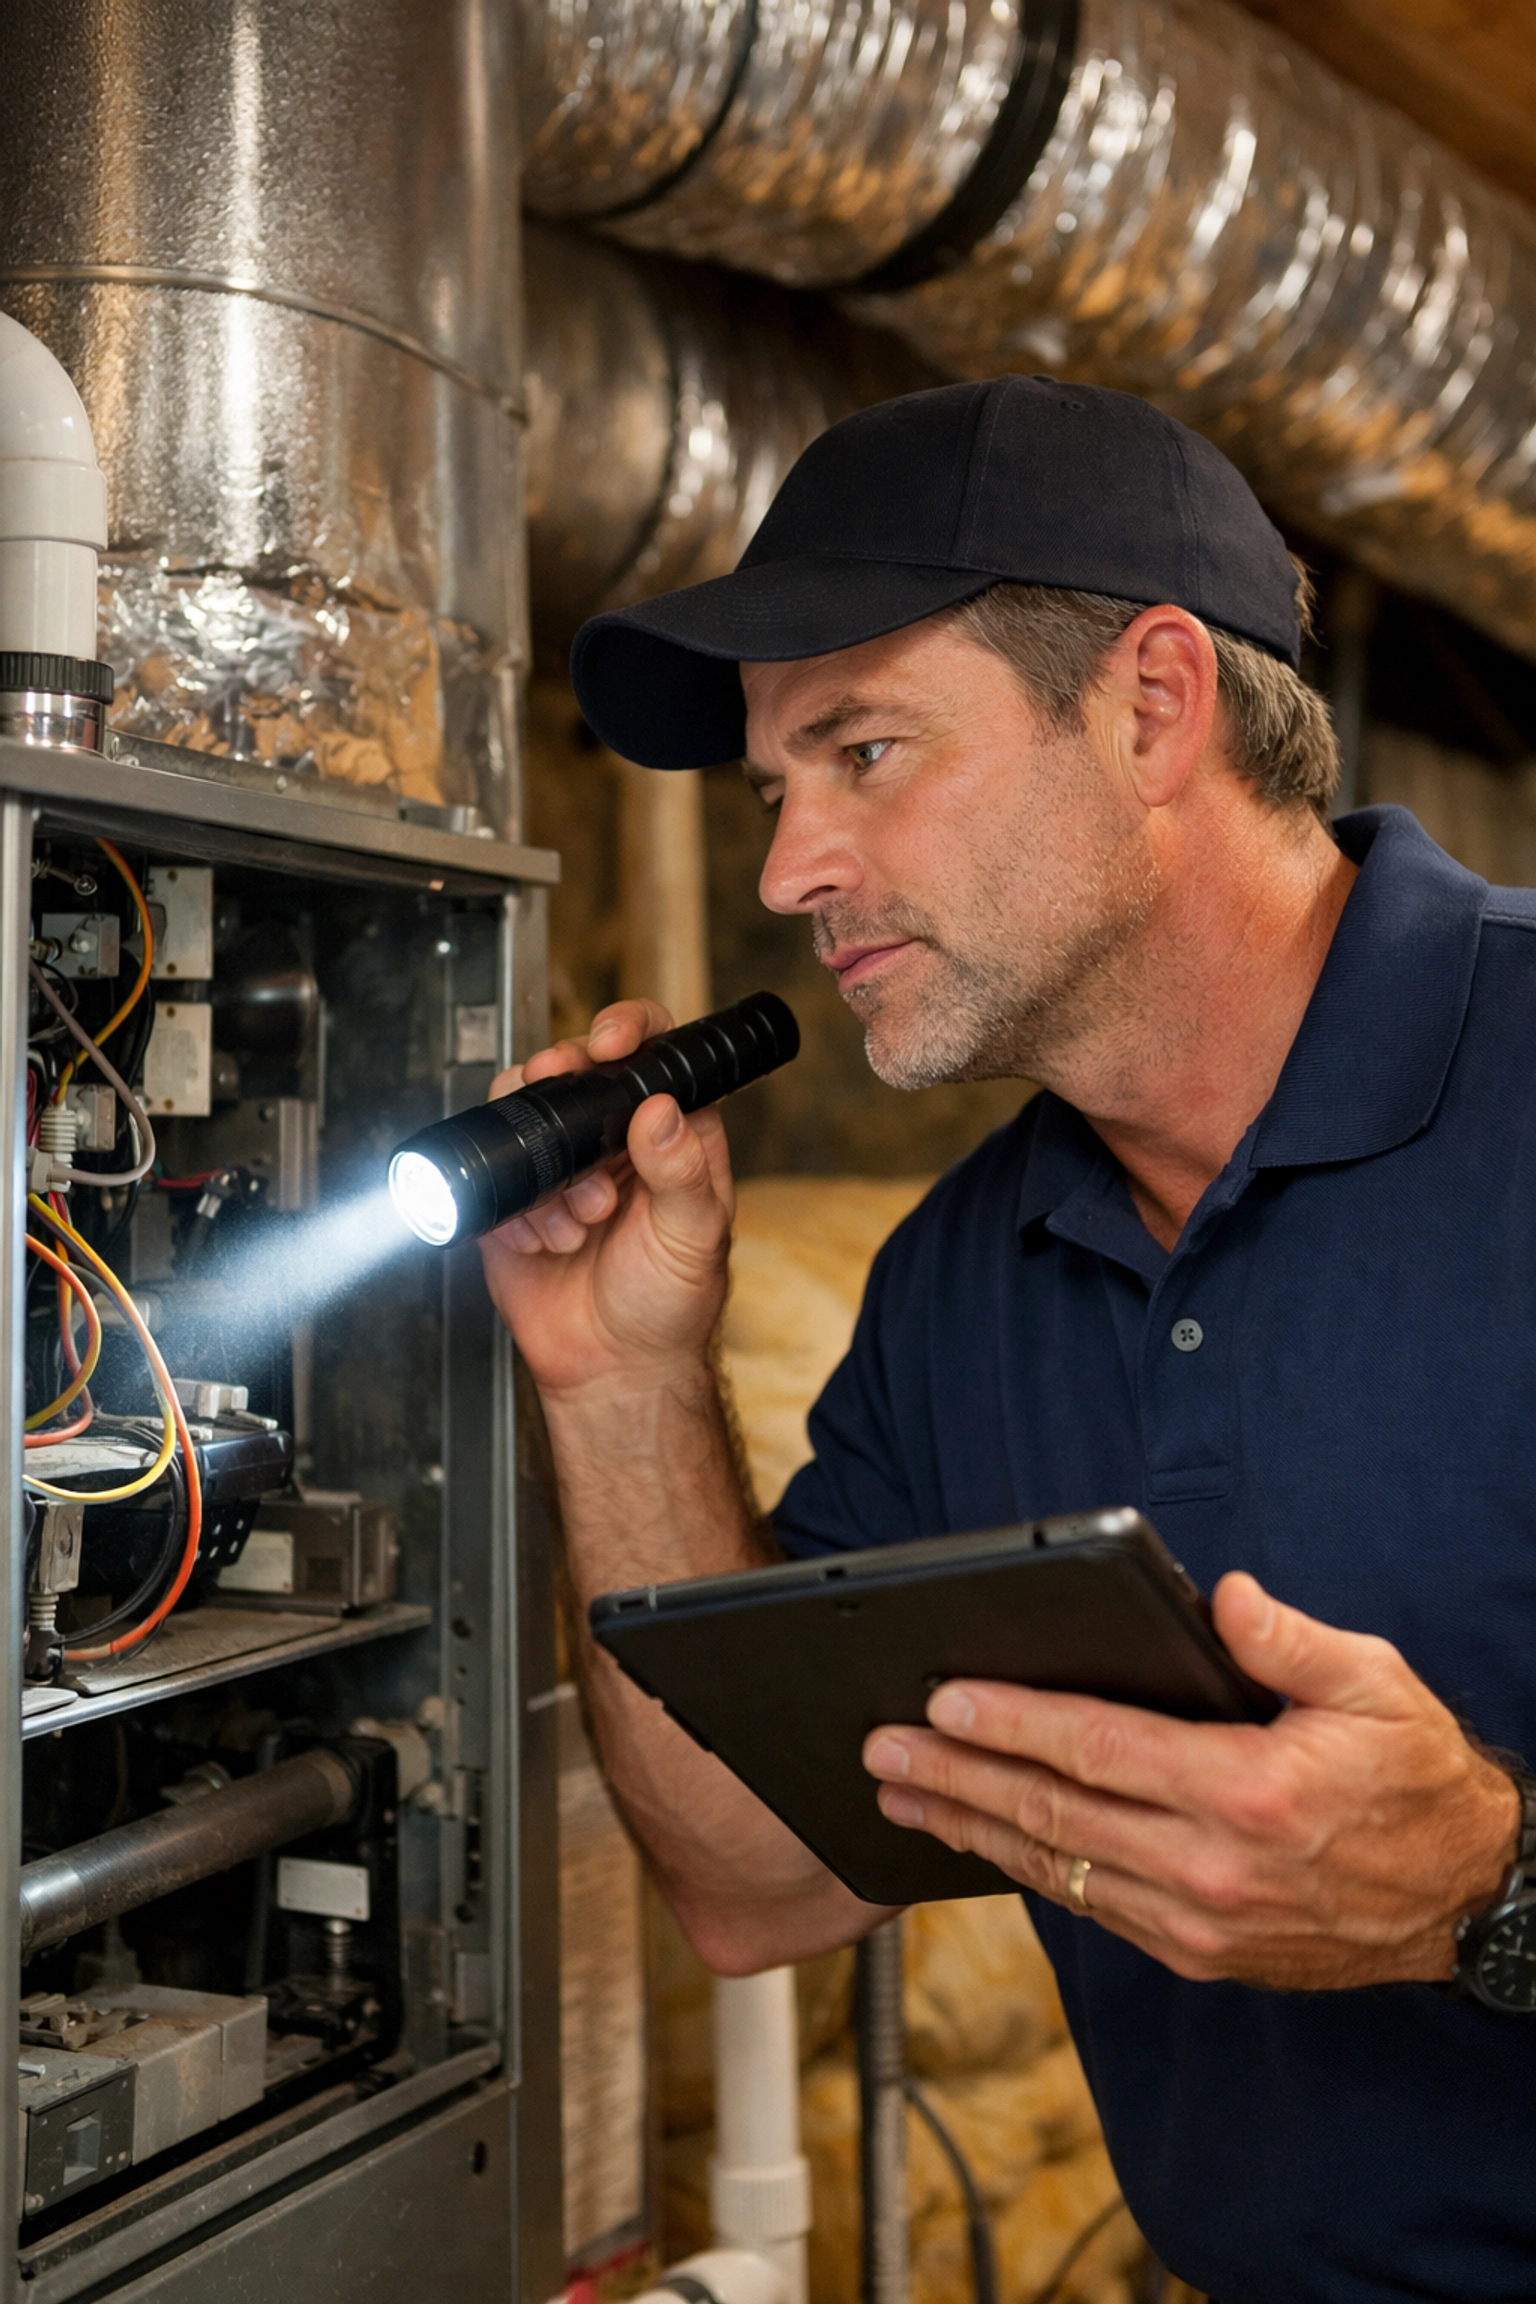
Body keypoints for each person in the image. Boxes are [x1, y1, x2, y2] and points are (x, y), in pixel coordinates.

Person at [482, 378, 1536, 2304]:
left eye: (863, 750)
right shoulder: (967, 1277)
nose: (790, 869)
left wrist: (1493, 1885)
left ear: (1151, 707)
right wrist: (616, 1378)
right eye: (772, 791)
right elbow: (755, 1875)